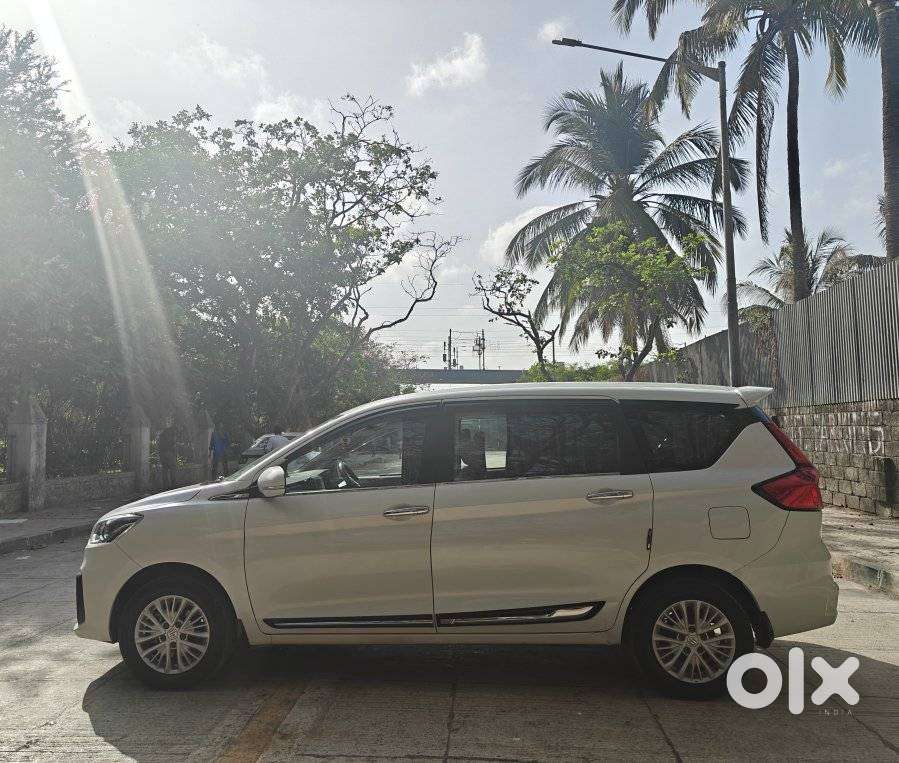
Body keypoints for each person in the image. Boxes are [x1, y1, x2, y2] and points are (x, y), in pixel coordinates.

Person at [158, 423, 178, 490]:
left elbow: (159, 446)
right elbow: (173, 443)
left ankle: (165, 487)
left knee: (165, 470)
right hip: (170, 453)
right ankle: (173, 486)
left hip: (162, 454)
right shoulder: (172, 433)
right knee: (173, 469)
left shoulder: (162, 435)